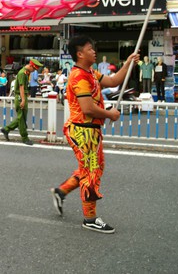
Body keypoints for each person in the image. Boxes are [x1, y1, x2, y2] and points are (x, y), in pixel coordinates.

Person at [50, 35, 139, 234]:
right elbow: (87, 108)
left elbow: (114, 80)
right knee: (91, 171)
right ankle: (90, 218)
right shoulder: (79, 77)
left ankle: (62, 191)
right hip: (82, 131)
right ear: (80, 54)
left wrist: (128, 63)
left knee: (93, 168)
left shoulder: (90, 72)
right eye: (90, 48)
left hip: (91, 131)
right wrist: (110, 114)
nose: (94, 51)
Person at [0, 59, 42, 145]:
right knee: (22, 119)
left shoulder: (26, 72)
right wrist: (23, 100)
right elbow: (21, 87)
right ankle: (25, 138)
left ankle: (6, 129)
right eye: (33, 69)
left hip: (22, 96)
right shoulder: (22, 73)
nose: (33, 71)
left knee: (21, 118)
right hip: (20, 97)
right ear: (30, 66)